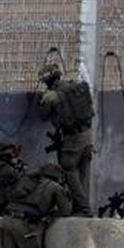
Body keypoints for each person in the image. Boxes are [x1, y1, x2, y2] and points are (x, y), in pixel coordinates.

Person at [36, 63, 94, 217]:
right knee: (82, 171)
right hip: (87, 134)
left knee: (68, 170)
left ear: (46, 81)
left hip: (73, 137)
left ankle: (83, 209)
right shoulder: (73, 86)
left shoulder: (52, 95)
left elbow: (42, 115)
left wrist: (40, 99)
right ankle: (82, 207)